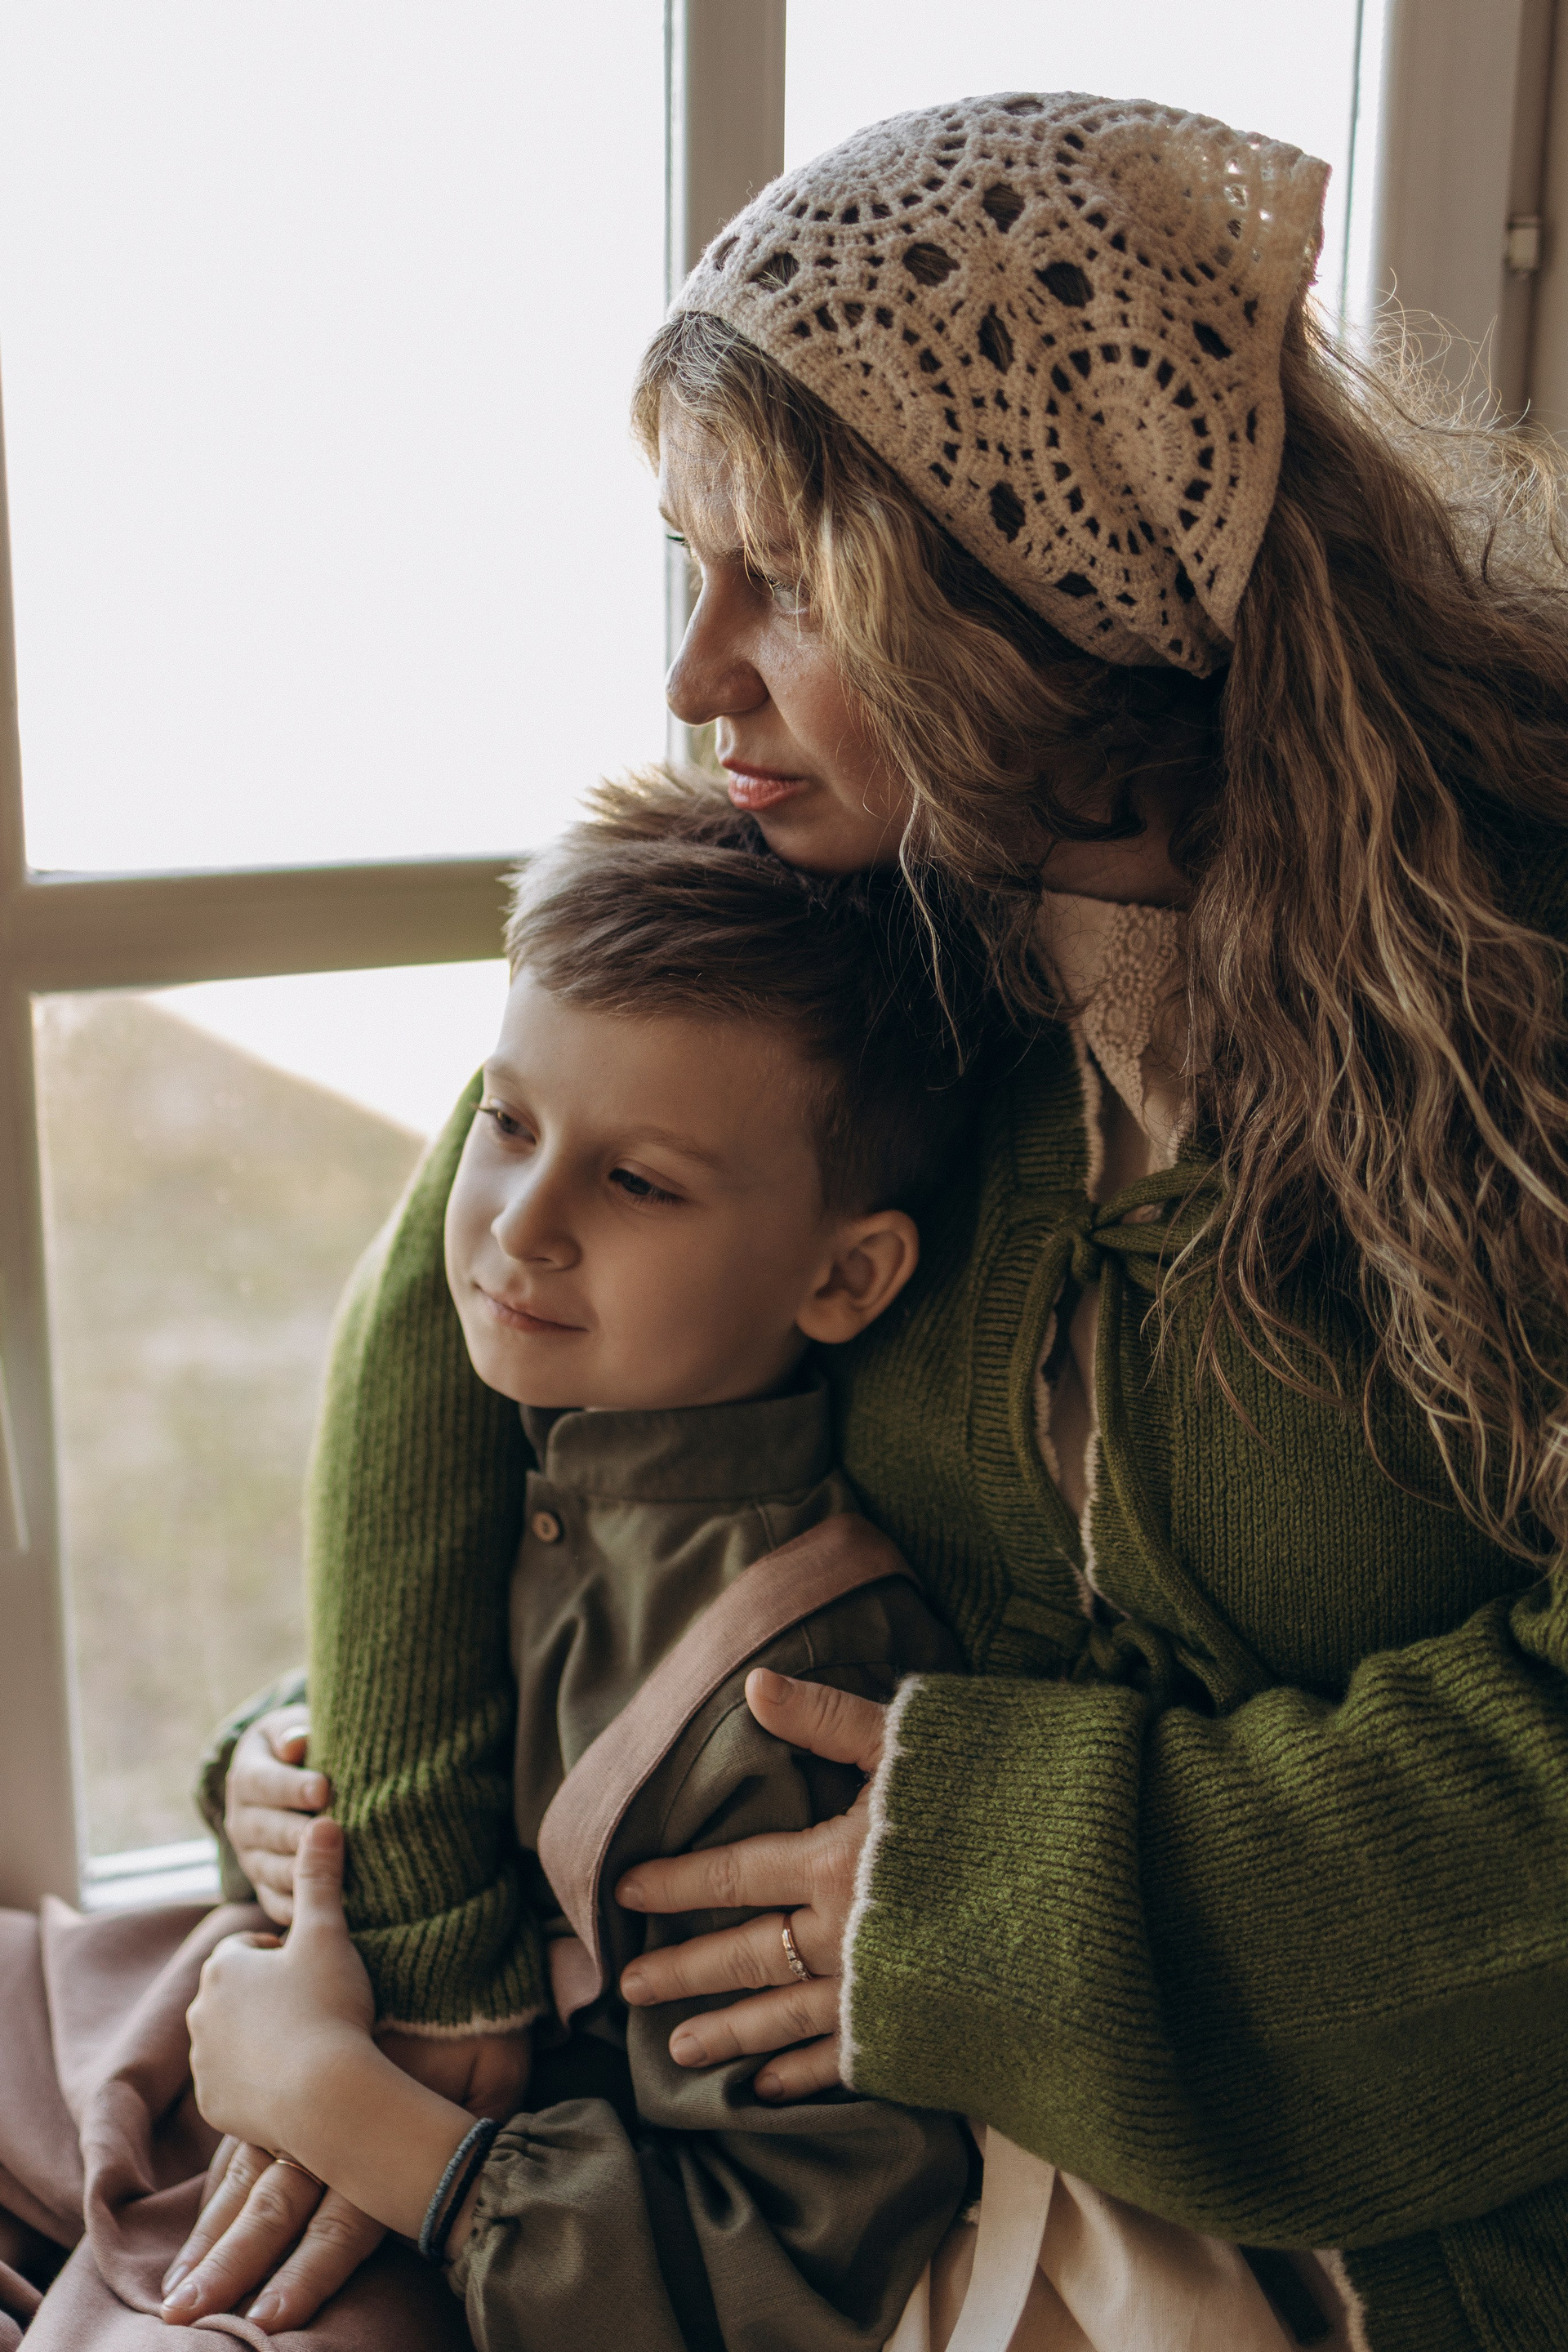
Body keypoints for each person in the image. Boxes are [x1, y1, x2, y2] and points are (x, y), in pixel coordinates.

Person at [106, 87, 1568, 2351]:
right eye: (691, 567)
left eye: (787, 582)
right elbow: (453, 1320)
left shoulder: (1517, 1010)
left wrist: (1014, 1893)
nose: (694, 676)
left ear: (1046, 586)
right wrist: (393, 1828)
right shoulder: (860, 897)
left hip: (1368, 2233)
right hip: (819, 2145)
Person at [176, 792, 986, 2349]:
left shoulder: (794, 1696)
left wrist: (353, 2117)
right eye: (507, 1125)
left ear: (844, 1275)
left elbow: (780, 2276)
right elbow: (493, 1749)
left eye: (641, 1183)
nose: (522, 1226)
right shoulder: (525, 1467)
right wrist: (265, 1790)